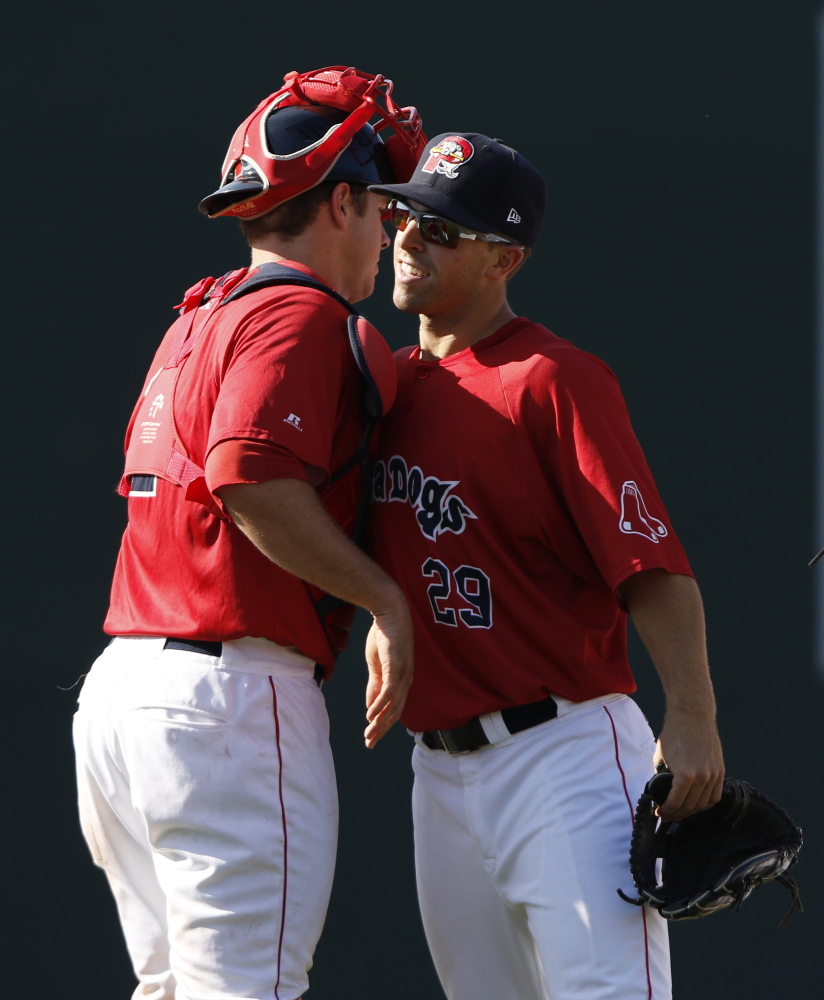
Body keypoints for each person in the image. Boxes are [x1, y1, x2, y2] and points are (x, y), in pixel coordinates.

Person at [72, 67, 426, 1000]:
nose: (392, 228)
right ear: (342, 201)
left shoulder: (200, 315)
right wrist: (383, 598)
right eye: (382, 204)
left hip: (124, 696)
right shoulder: (297, 313)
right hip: (226, 701)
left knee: (171, 991)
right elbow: (248, 478)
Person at [367, 133, 725, 1000]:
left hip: (561, 753)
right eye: (404, 216)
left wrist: (692, 716)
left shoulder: (552, 379)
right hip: (438, 770)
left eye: (443, 230)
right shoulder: (383, 385)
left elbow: (651, 564)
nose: (410, 240)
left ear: (507, 258)